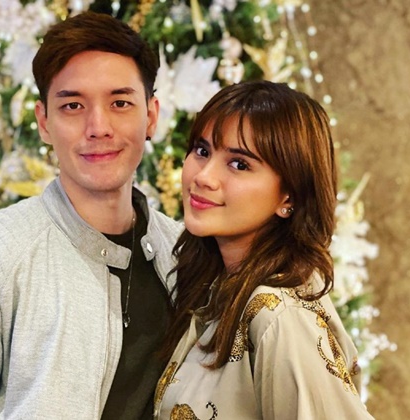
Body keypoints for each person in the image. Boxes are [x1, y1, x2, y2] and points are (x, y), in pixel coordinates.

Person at [0, 12, 182, 419]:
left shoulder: (185, 255)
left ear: (151, 116)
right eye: (73, 105)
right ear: (44, 121)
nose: (98, 127)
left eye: (120, 103)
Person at [153, 81, 375, 419]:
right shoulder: (218, 287)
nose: (204, 176)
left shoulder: (280, 317)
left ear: (289, 196)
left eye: (239, 164)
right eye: (202, 150)